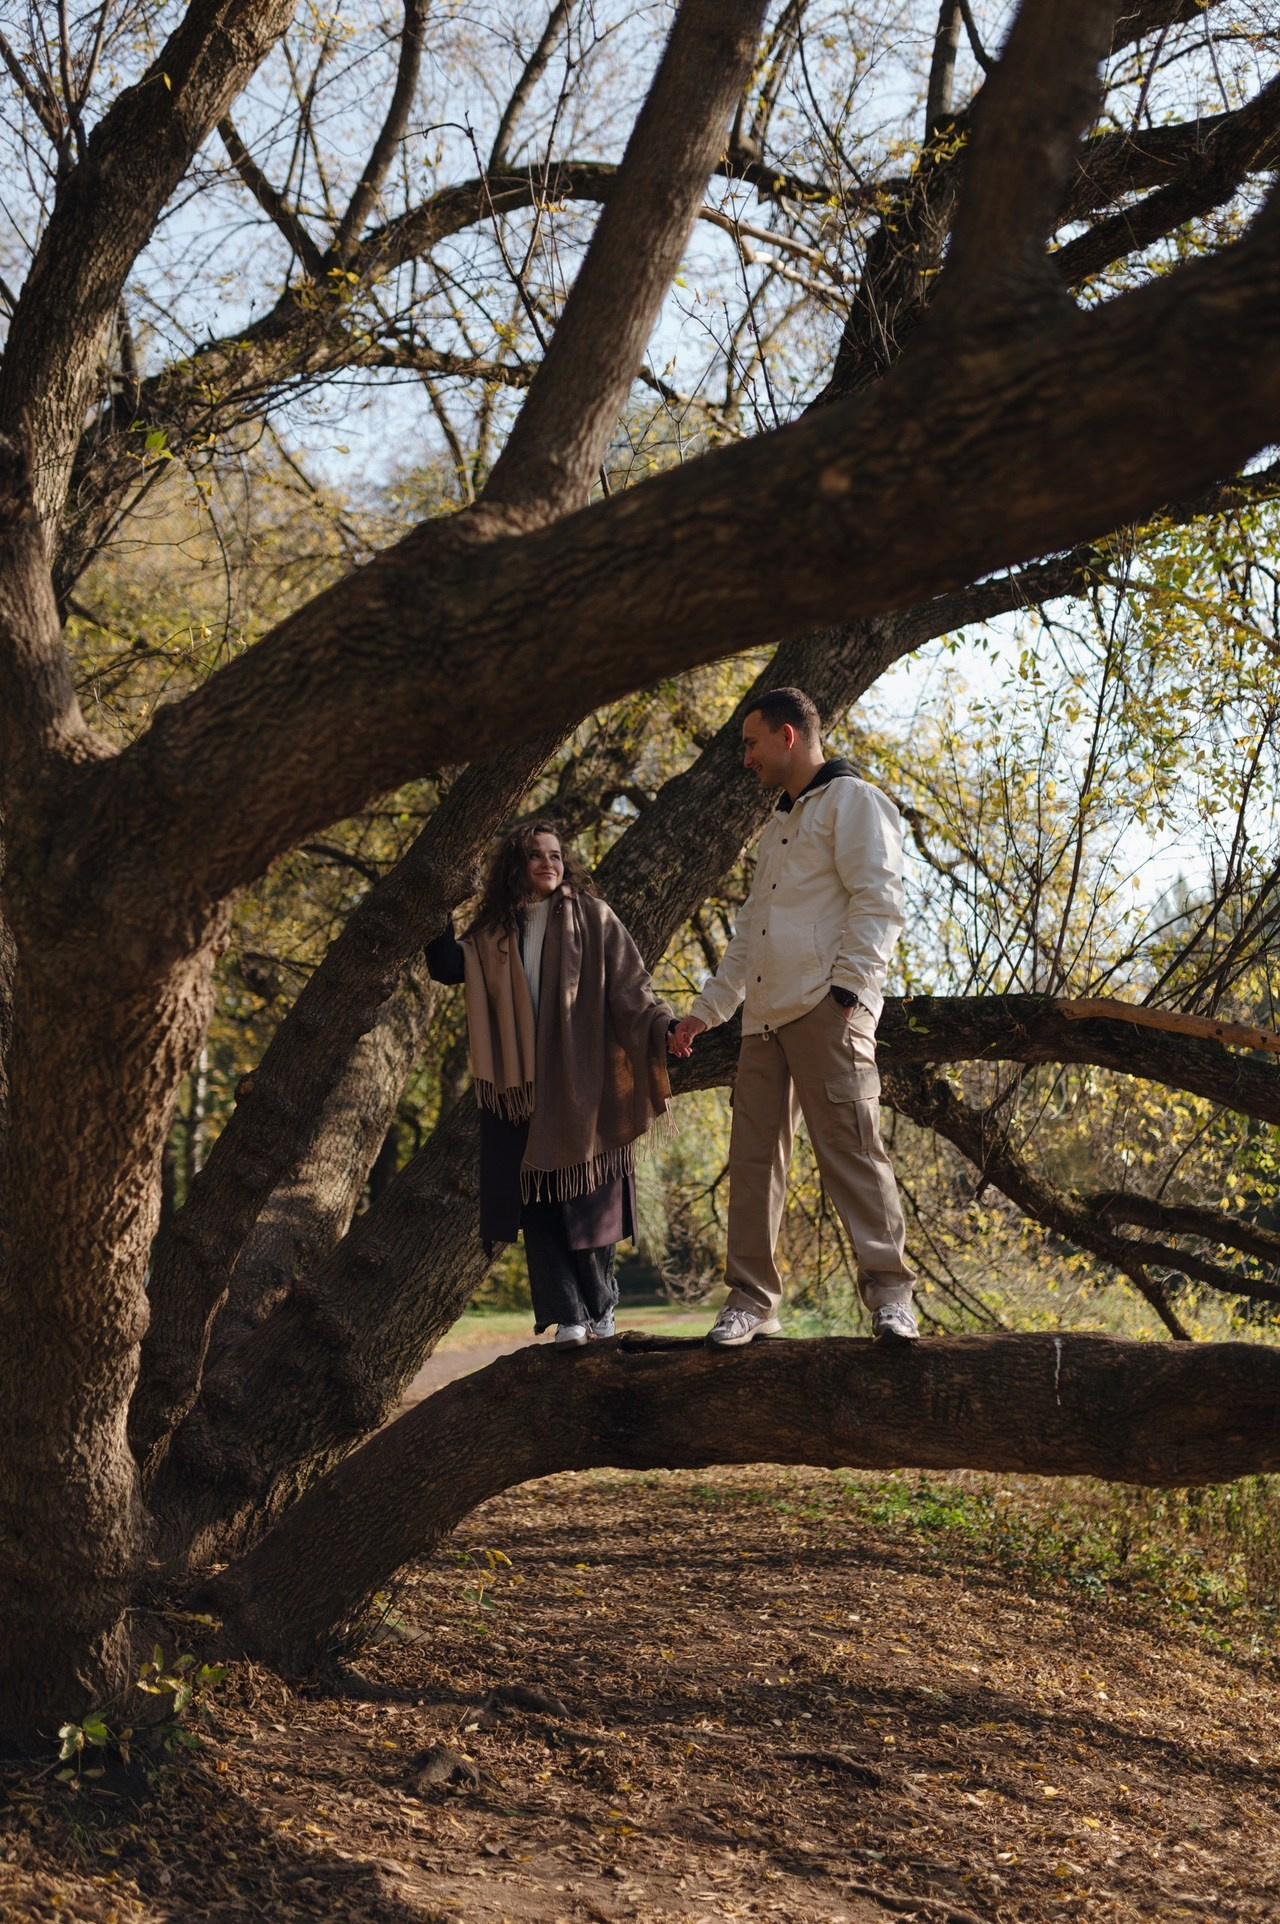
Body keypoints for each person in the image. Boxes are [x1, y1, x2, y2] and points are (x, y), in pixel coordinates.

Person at [669, 687, 918, 1347]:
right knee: (753, 1162)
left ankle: (891, 1298)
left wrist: (850, 994)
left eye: (750, 743)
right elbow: (749, 933)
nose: (745, 758)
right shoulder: (776, 828)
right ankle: (751, 1302)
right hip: (763, 1020)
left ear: (786, 736)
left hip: (826, 1008)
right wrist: (704, 1013)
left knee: (853, 1151)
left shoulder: (856, 802)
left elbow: (880, 901)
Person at [427, 821, 674, 1347]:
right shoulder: (494, 931)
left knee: (588, 1200)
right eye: (535, 855)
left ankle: (601, 1309)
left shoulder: (594, 917)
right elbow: (448, 966)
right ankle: (569, 1317)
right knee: (537, 1205)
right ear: (515, 866)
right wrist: (435, 899)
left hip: (582, 1081)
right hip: (522, 1090)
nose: (548, 863)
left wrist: (663, 1026)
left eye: (555, 855)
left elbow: (631, 987)